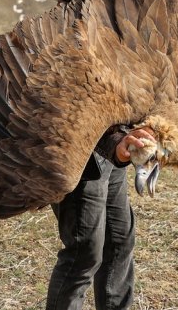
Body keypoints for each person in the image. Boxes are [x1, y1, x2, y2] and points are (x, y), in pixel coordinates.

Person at [46, 125, 156, 310]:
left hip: (114, 148)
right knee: (84, 252)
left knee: (119, 240)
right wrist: (116, 141)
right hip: (78, 152)